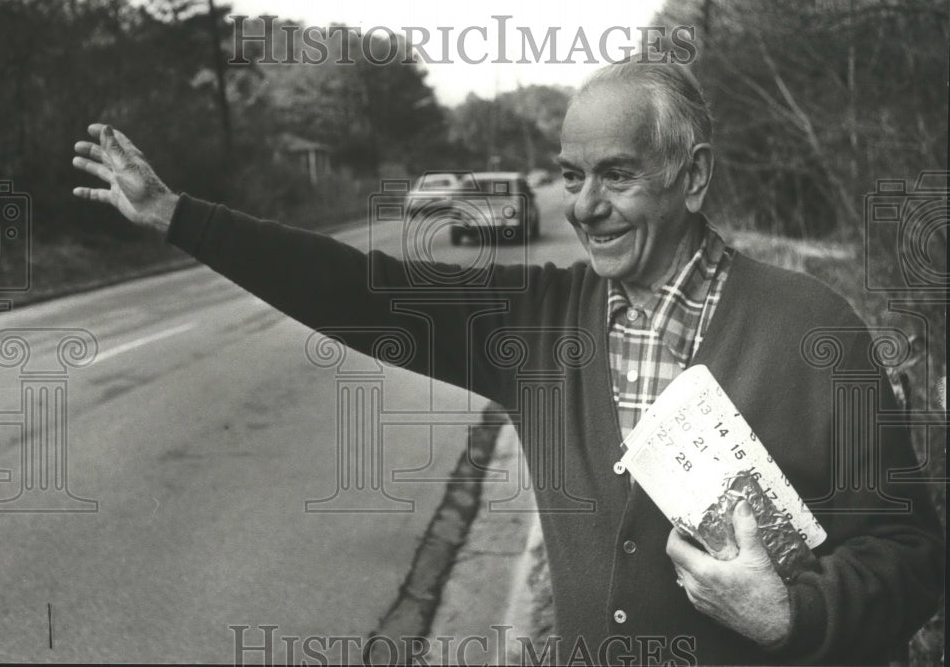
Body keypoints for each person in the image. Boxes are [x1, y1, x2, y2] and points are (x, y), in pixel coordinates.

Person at [72, 60, 943, 666]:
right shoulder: (537, 326)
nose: (586, 207)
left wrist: (794, 615)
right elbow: (359, 290)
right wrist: (181, 218)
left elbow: (910, 551)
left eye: (617, 176)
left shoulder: (810, 328)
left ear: (695, 177)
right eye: (571, 176)